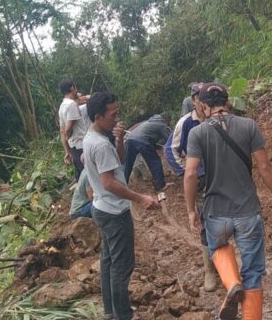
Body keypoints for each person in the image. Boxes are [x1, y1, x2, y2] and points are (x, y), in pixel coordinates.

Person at [184, 82, 272, 320]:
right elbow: (264, 166)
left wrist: (191, 210)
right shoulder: (249, 126)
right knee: (252, 273)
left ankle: (231, 284)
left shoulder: (197, 132)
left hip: (216, 211)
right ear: (227, 102)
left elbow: (190, 174)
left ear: (203, 105)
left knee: (217, 247)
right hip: (248, 210)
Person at [84, 91, 161, 320]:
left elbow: (118, 162)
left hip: (101, 208)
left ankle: (111, 311)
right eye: (113, 114)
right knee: (122, 266)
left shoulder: (94, 138)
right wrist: (140, 198)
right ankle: (123, 315)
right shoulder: (99, 144)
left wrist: (119, 139)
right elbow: (109, 182)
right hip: (114, 213)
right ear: (98, 116)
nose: (117, 119)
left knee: (108, 262)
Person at [162, 82, 217, 292]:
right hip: (199, 178)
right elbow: (171, 150)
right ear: (194, 100)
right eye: (198, 97)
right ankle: (209, 270)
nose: (203, 101)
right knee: (205, 221)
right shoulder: (185, 123)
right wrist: (186, 172)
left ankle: (224, 261)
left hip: (219, 176)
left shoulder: (216, 119)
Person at [123, 113, 171, 191]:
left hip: (130, 139)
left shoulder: (148, 122)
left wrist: (158, 146)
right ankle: (160, 185)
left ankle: (122, 185)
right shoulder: (162, 124)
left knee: (128, 164)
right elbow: (170, 139)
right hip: (142, 141)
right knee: (155, 161)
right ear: (167, 120)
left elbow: (150, 138)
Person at [58, 79, 89, 181]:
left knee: (82, 177)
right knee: (89, 178)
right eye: (75, 88)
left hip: (74, 148)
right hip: (80, 146)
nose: (77, 91)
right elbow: (67, 129)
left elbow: (62, 131)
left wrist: (68, 150)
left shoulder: (62, 106)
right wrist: (69, 137)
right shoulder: (71, 105)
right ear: (72, 88)